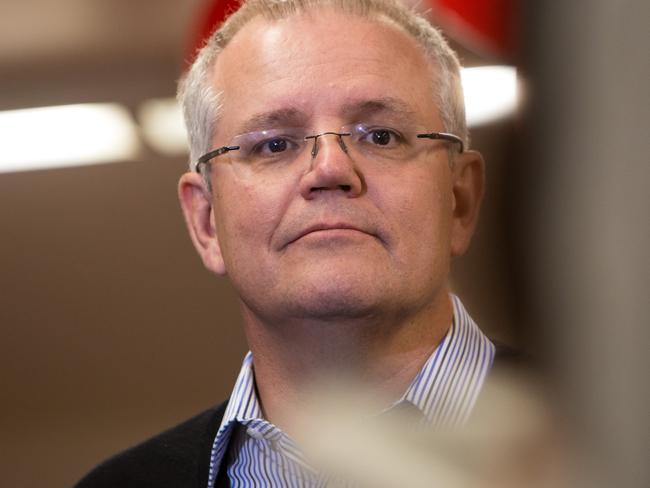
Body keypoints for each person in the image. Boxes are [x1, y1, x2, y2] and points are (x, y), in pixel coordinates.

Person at [76, 0, 504, 486]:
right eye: (273, 144)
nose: (330, 170)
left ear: (460, 199)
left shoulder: (601, 433)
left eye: (381, 136)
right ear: (206, 220)